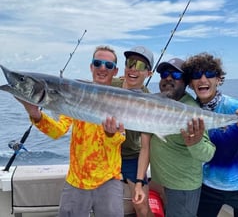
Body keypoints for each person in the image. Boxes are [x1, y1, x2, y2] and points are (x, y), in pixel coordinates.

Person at [16, 46, 126, 217]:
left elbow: (119, 139)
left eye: (108, 65)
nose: (102, 68)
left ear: (115, 71)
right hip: (77, 179)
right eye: (97, 63)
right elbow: (57, 131)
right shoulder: (74, 93)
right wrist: (34, 113)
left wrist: (111, 134)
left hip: (109, 180)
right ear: (91, 67)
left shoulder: (121, 99)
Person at [134, 58, 216, 217]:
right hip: (160, 182)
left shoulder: (191, 110)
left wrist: (196, 143)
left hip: (183, 188)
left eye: (176, 75)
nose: (169, 78)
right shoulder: (154, 103)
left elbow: (208, 153)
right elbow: (145, 146)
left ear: (185, 82)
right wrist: (140, 182)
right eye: (165, 74)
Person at [182, 52, 238, 217]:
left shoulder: (235, 106)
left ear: (218, 79)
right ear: (191, 84)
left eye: (210, 74)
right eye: (196, 75)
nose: (203, 79)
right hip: (208, 185)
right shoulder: (189, 111)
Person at [104, 46, 154, 217]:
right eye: (130, 63)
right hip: (107, 154)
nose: (133, 69)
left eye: (140, 66)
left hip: (132, 156)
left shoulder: (150, 101)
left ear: (149, 73)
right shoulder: (111, 84)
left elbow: (146, 147)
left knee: (141, 206)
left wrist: (140, 182)